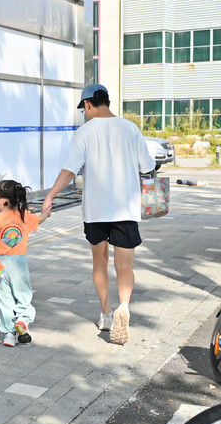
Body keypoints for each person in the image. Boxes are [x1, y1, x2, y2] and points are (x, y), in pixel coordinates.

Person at [41, 84, 155, 345]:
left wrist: (50, 196)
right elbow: (147, 166)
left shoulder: (85, 131)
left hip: (95, 211)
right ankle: (124, 306)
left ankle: (106, 313)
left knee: (99, 262)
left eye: (84, 109)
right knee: (124, 266)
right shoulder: (130, 128)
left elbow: (70, 170)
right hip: (126, 210)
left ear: (88, 104)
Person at [0, 180, 48, 347]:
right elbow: (39, 220)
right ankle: (22, 320)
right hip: (19, 263)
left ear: (3, 201)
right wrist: (46, 212)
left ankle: (9, 335)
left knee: (4, 298)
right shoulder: (24, 215)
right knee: (23, 295)